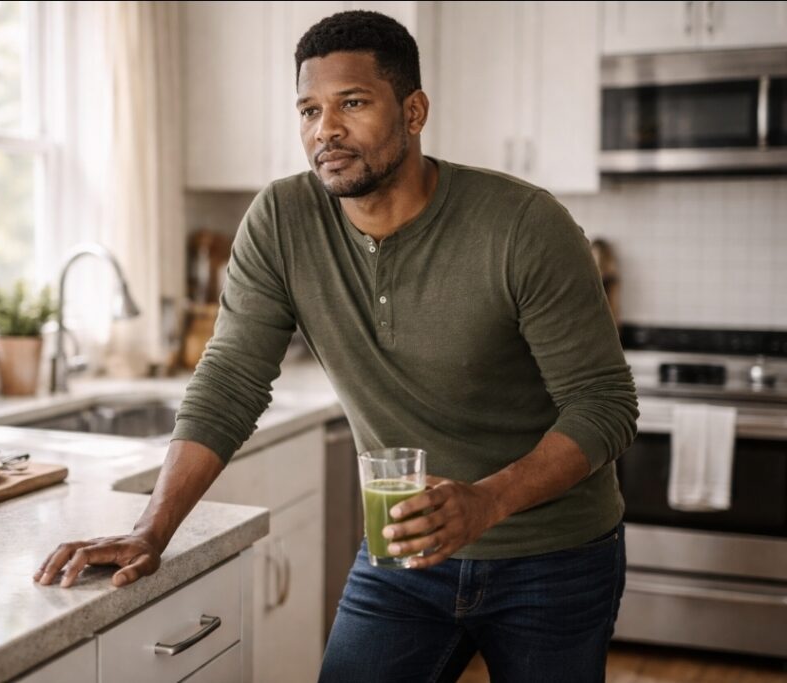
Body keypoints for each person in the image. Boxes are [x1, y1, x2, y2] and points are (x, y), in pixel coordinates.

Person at [35, 9, 638, 682]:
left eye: (352, 103)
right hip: (402, 557)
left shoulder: (523, 225)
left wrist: (486, 502)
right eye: (309, 109)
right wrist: (152, 530)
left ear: (414, 112)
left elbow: (605, 405)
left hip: (553, 557)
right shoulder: (281, 220)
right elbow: (230, 379)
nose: (326, 129)